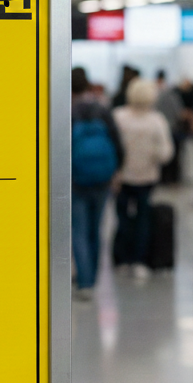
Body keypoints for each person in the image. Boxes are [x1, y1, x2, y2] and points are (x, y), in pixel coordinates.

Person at [113, 78, 174, 281]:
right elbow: (166, 153)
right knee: (142, 220)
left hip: (121, 177)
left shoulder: (118, 117)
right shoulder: (156, 120)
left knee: (122, 218)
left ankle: (121, 259)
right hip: (147, 177)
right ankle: (139, 261)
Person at [71, 67, 123, 300]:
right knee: (96, 229)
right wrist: (116, 171)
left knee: (79, 230)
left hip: (75, 178)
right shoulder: (102, 109)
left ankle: (84, 282)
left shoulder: (67, 111)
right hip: (102, 178)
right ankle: (92, 276)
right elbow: (117, 142)